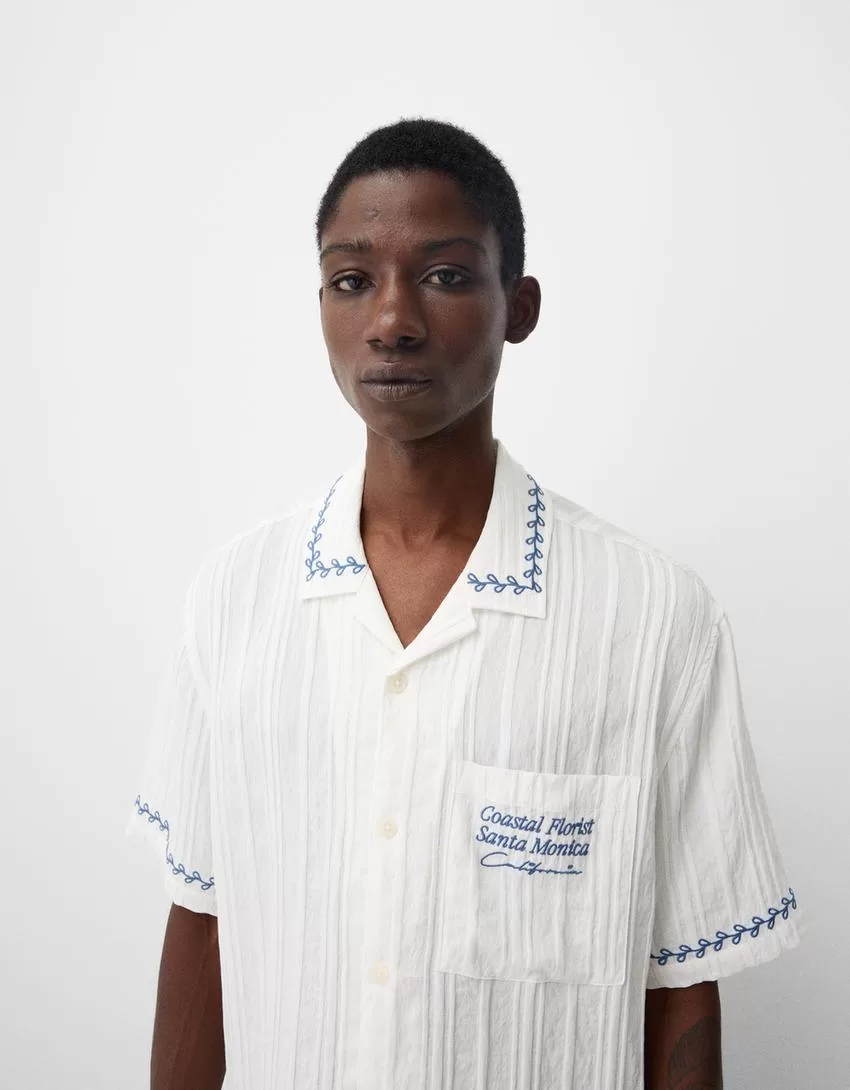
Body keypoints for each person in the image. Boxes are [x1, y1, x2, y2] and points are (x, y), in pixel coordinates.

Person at [126, 117, 804, 1090]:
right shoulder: (234, 600)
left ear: (518, 307)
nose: (391, 320)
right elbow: (202, 922)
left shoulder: (656, 619)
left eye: (443, 276)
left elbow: (681, 983)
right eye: (351, 280)